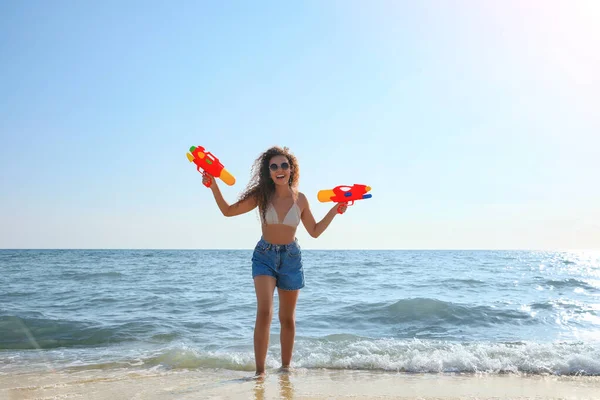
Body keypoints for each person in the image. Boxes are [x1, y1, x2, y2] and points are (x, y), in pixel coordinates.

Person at [202, 145, 347, 378]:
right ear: (268, 172)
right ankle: (260, 373)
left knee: (287, 318)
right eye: (274, 166)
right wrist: (213, 185)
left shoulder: (301, 200)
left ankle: (286, 369)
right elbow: (228, 211)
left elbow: (315, 231)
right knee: (264, 312)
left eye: (284, 165)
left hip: (291, 258)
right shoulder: (262, 196)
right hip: (264, 256)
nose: (279, 170)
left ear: (291, 170)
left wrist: (334, 210)